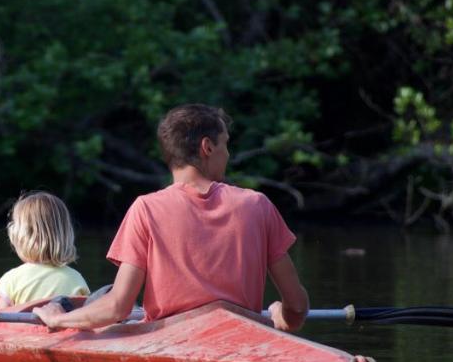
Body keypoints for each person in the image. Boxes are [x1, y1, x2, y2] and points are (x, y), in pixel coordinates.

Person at [36, 104, 309, 332]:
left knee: (103, 298)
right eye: (225, 144)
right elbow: (296, 308)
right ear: (207, 147)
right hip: (246, 336)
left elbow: (118, 307)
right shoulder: (257, 205)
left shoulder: (145, 209)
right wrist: (277, 315)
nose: (228, 153)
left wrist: (59, 319)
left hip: (171, 339)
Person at [0, 191, 90, 308]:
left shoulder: (11, 279)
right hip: (61, 324)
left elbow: (2, 319)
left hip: (21, 326)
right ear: (66, 235)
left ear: (21, 238)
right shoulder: (76, 279)